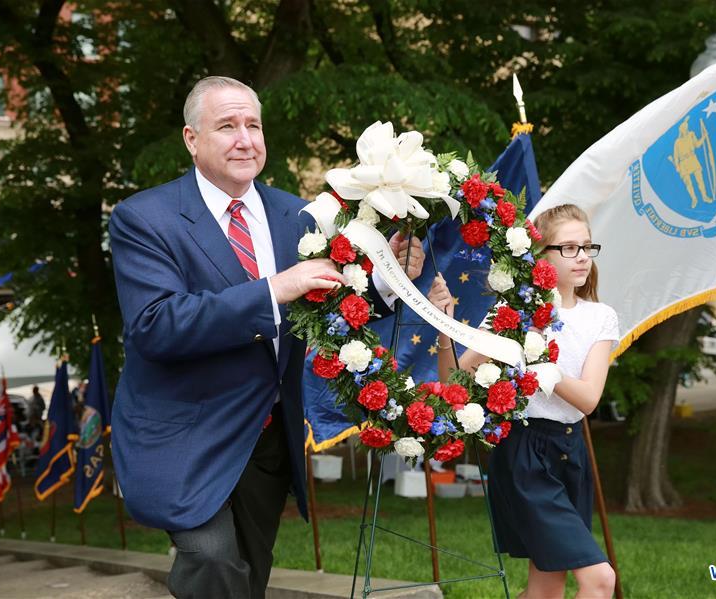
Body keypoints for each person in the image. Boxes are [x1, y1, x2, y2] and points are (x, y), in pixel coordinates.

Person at [108, 76, 424, 599]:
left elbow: (327, 309)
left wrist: (389, 282)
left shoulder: (299, 215)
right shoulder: (144, 218)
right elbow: (157, 325)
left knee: (249, 576)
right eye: (226, 126)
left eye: (252, 125)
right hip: (184, 434)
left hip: (266, 436)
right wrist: (274, 288)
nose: (244, 139)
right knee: (211, 561)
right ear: (191, 139)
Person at [429, 204, 617, 599]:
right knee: (600, 580)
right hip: (523, 453)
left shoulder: (601, 316)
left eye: (587, 246)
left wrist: (541, 363)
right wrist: (444, 327)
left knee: (547, 586)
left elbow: (588, 399)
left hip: (571, 453)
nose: (582, 257)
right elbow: (454, 383)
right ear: (541, 256)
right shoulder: (512, 311)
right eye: (569, 248)